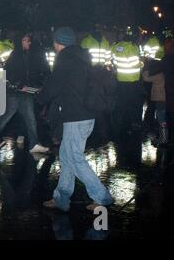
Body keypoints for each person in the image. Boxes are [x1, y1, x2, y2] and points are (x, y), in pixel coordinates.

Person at [38, 27, 113, 212]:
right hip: (86, 115)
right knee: (66, 155)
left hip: (75, 117)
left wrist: (40, 98)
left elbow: (54, 85)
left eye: (54, 42)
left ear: (58, 43)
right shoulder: (81, 57)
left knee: (75, 158)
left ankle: (102, 196)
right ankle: (61, 198)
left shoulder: (65, 59)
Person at [0, 31, 49, 153]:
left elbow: (31, 73)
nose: (28, 42)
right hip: (16, 91)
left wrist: (36, 86)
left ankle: (33, 144)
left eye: (28, 40)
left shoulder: (27, 54)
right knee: (23, 117)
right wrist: (19, 85)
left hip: (23, 91)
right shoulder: (15, 55)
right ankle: (33, 144)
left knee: (15, 116)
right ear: (20, 42)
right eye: (25, 40)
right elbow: (5, 73)